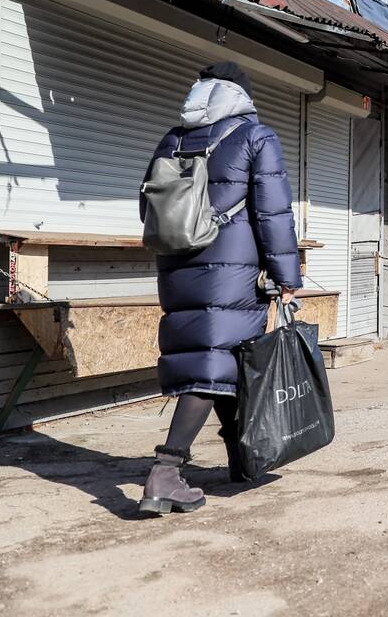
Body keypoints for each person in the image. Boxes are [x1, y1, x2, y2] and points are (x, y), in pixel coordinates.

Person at [137, 62, 301, 515]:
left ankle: (240, 458)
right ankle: (165, 472)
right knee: (213, 363)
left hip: (177, 262)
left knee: (224, 356)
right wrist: (286, 275)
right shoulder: (256, 136)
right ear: (240, 97)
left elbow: (147, 205)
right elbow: (273, 213)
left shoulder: (172, 139)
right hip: (232, 266)